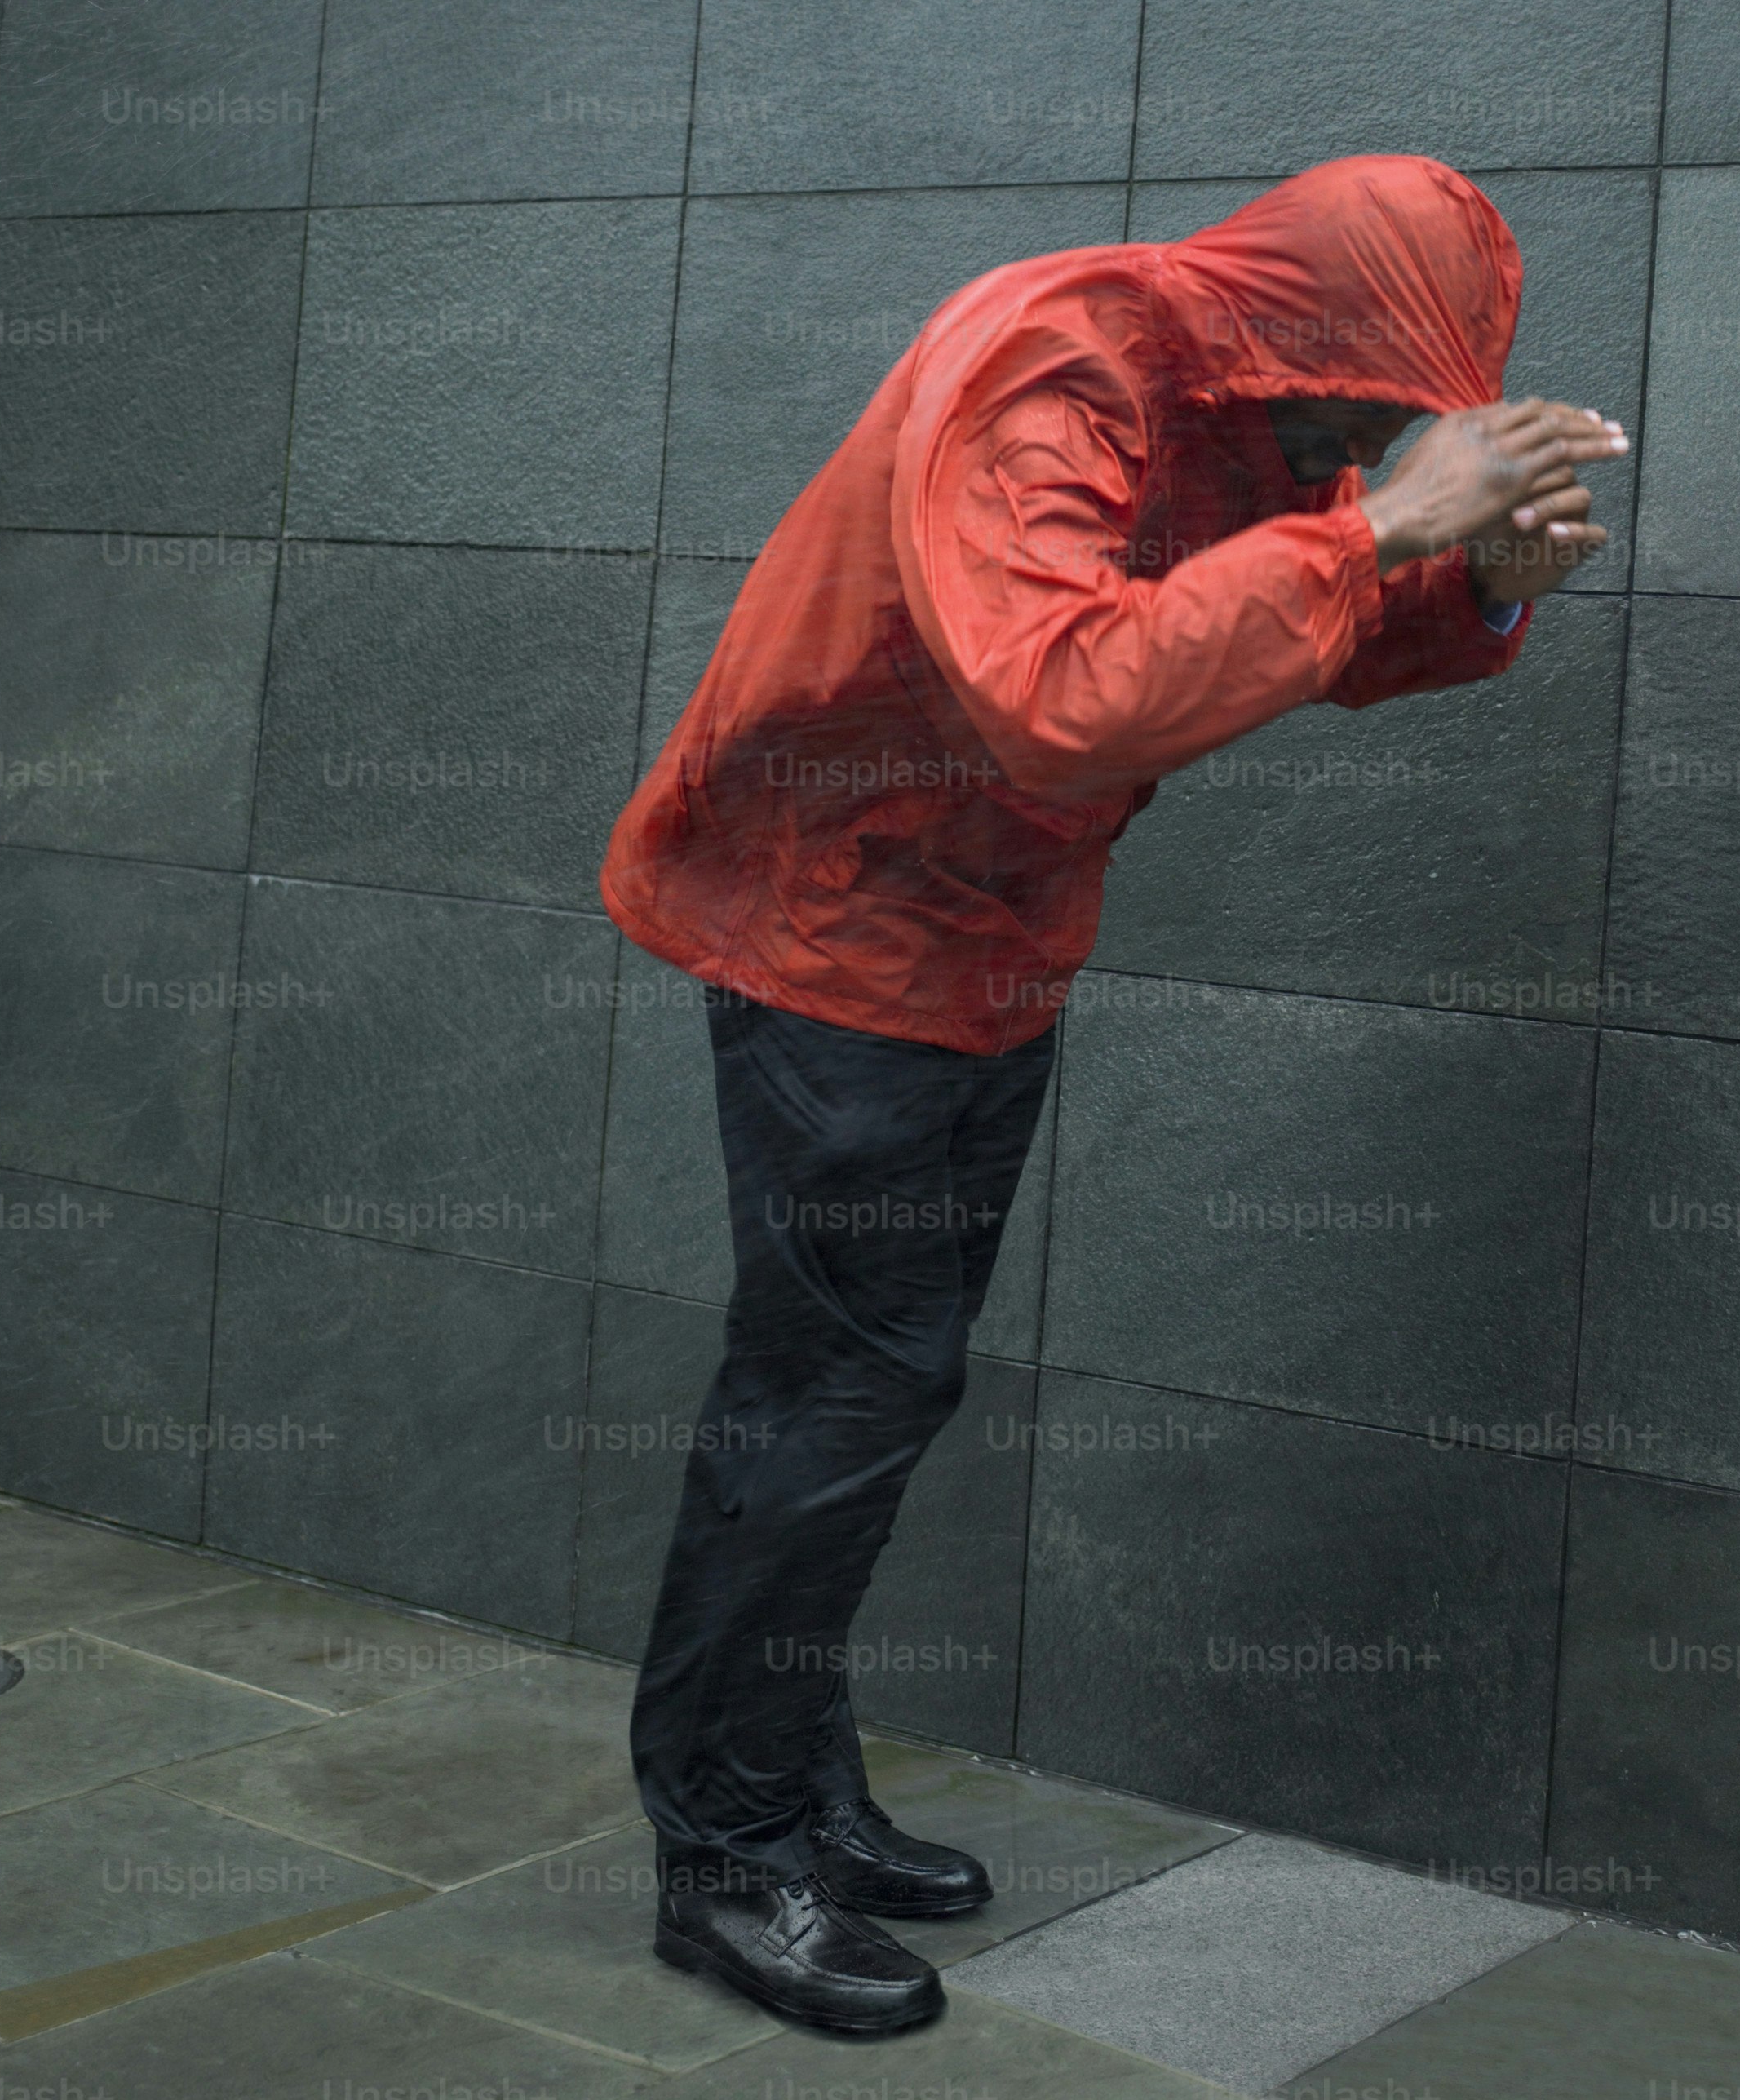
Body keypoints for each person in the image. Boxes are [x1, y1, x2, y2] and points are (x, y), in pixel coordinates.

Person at [600, 154, 1622, 2035]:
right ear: (1314, 340)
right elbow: (1059, 692)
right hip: (837, 920)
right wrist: (1381, 523)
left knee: (874, 1386)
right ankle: (727, 1852)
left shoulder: (1259, 403)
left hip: (986, 929)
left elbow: (1265, 632)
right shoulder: (1057, 357)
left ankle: (792, 1794)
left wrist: (1468, 575)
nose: (1367, 447)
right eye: (1376, 413)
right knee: (830, 1389)